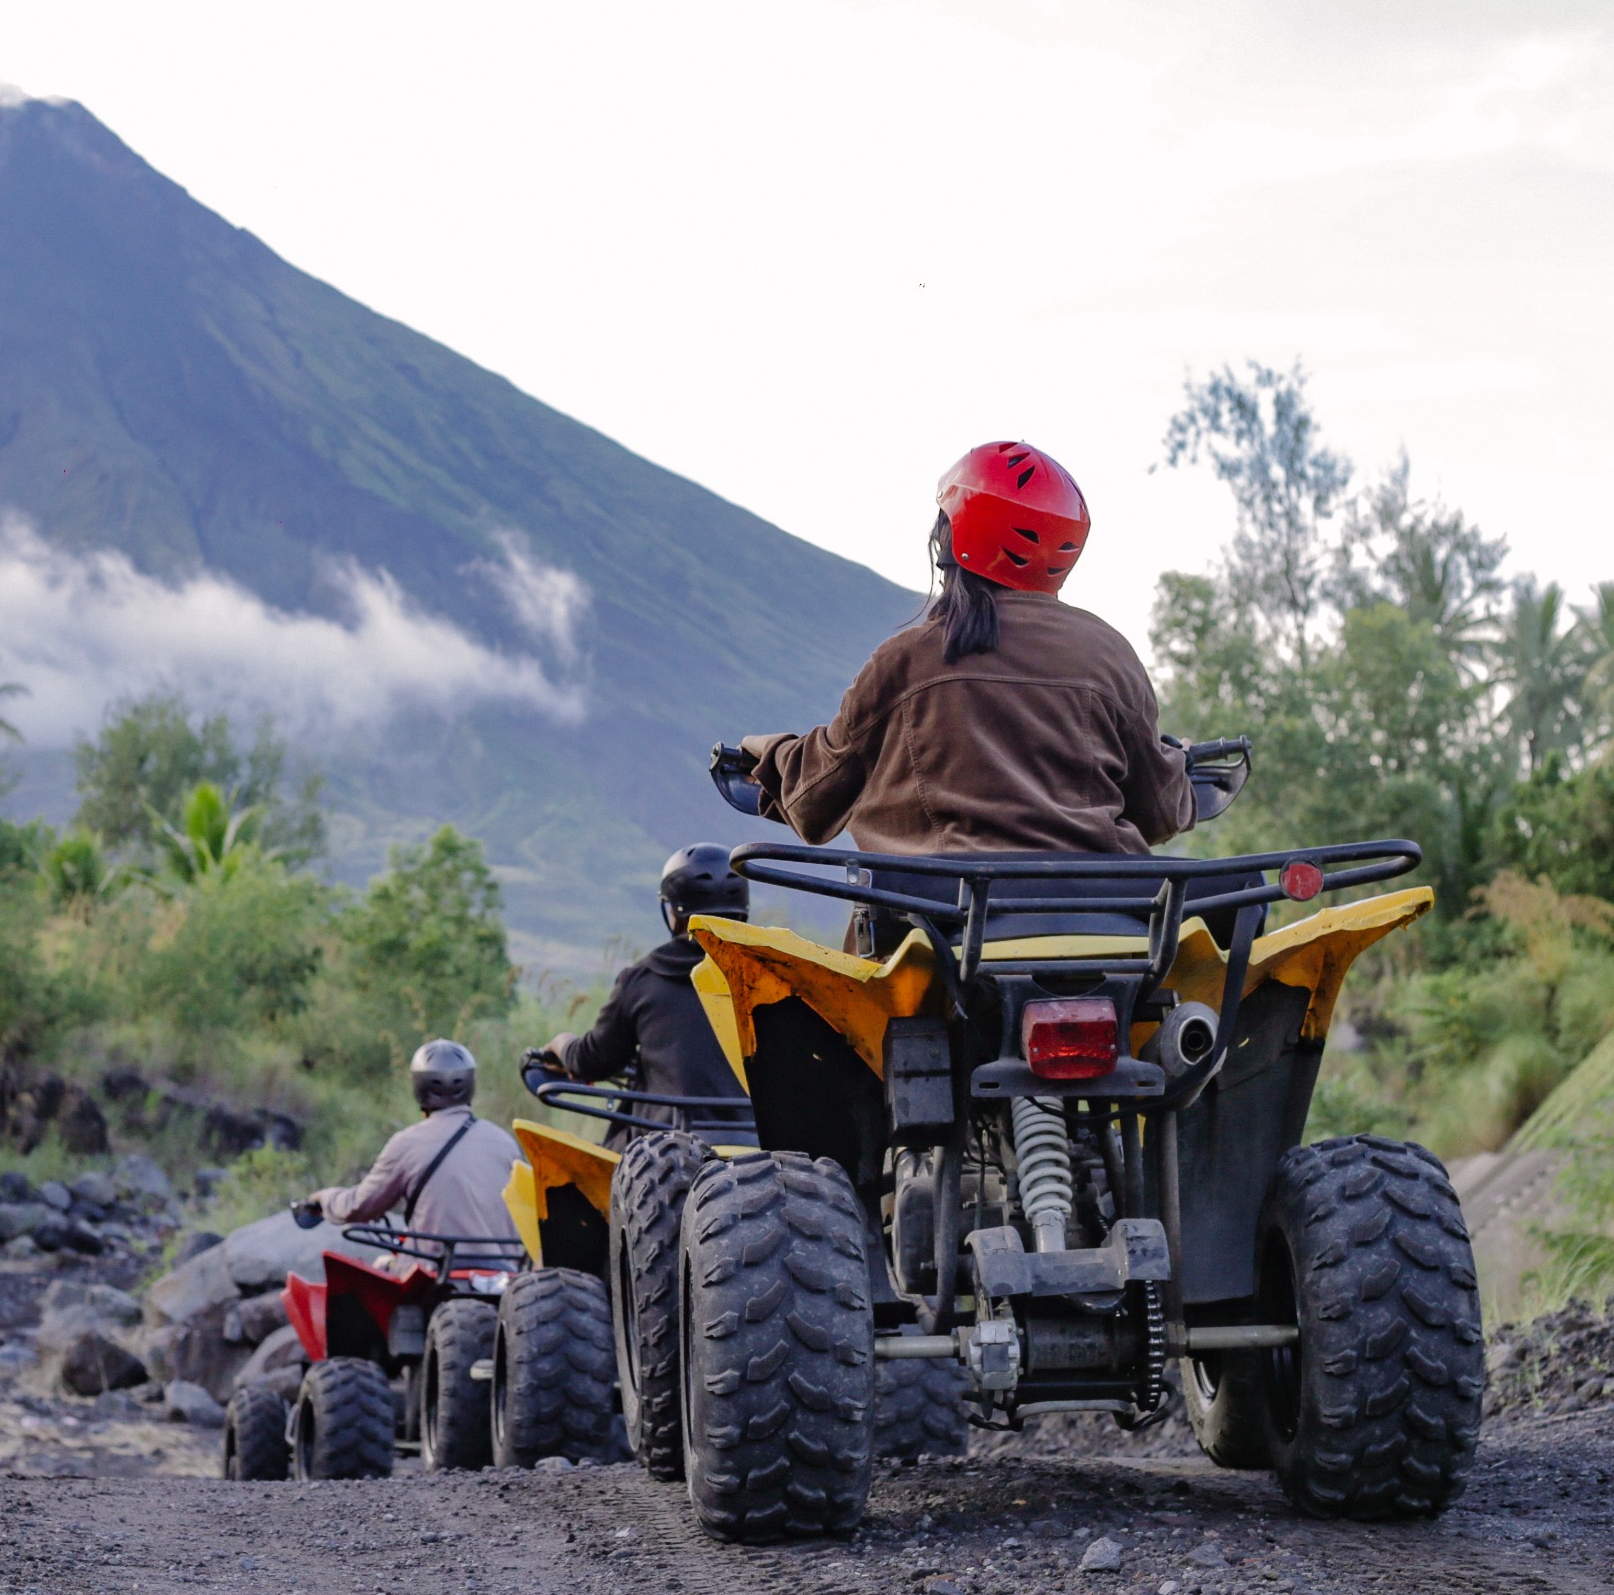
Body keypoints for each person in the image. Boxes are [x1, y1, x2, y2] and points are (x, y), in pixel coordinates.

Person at [732, 439, 1193, 859]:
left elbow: (816, 792)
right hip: (1103, 917)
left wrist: (769, 754)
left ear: (953, 537)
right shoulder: (1109, 654)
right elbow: (1159, 810)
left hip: (937, 925)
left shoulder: (906, 659)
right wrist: (1181, 761)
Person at [532, 845, 755, 1147]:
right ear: (742, 907)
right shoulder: (779, 975)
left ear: (674, 910)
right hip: (760, 1142)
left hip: (669, 1148)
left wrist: (561, 1044)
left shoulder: (642, 980)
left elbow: (594, 1061)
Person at [301, 1039, 524, 1246]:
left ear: (419, 1086)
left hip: (436, 1273)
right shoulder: (504, 1142)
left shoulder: (407, 1144)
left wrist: (324, 1199)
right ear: (469, 1083)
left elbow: (358, 1207)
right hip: (504, 1276)